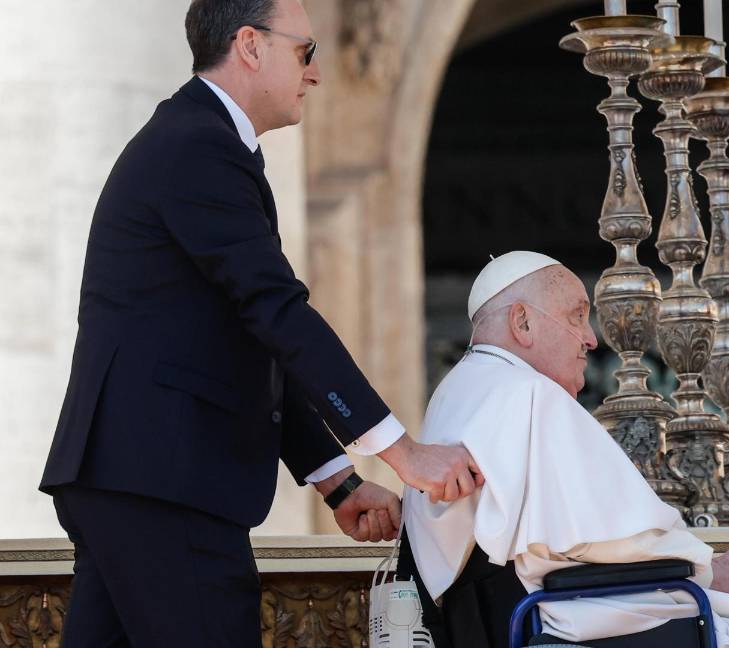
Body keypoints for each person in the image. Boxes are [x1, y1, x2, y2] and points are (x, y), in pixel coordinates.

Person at [38, 1, 482, 645]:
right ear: (250, 44)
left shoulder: (202, 142)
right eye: (306, 52)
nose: (316, 75)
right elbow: (278, 314)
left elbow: (247, 341)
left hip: (134, 480)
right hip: (166, 487)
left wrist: (339, 482)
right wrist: (403, 453)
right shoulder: (200, 146)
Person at [403, 251, 729, 648]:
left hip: (512, 621)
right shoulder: (527, 394)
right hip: (579, 621)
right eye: (576, 316)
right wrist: (716, 570)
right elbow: (615, 545)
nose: (590, 338)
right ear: (522, 322)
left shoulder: (457, 391)